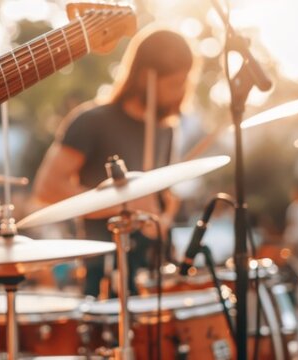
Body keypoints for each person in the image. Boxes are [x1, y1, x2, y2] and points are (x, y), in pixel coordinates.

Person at [32, 28, 194, 298]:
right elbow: (47, 188)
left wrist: (164, 214)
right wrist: (124, 204)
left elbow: (157, 199)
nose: (181, 91)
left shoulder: (166, 130)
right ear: (146, 77)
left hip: (151, 274)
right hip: (103, 272)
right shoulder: (91, 121)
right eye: (174, 83)